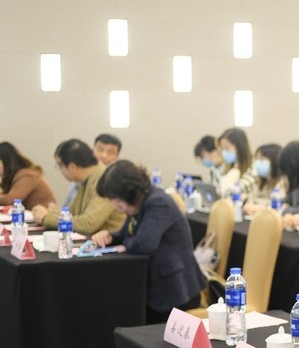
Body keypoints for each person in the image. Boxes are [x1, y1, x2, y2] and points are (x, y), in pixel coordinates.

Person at [91, 161, 205, 324]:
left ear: (129, 192)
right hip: (156, 286)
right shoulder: (139, 202)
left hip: (175, 290)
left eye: (116, 199)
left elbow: (143, 244)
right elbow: (127, 234)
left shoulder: (158, 203)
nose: (115, 205)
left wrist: (126, 243)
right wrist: (110, 236)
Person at [31, 139, 125, 235]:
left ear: (72, 166)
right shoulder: (87, 178)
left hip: (110, 241)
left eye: (59, 165)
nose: (59, 169)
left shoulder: (104, 180)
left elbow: (88, 224)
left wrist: (46, 218)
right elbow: (74, 213)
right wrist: (51, 213)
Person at [0, 142, 56, 209]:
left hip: (44, 214)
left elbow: (10, 200)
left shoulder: (27, 176)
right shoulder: (18, 176)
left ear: (5, 162)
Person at [242, 143, 285, 217]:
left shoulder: (282, 182)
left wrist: (260, 205)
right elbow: (251, 198)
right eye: (256, 159)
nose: (257, 163)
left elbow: (278, 203)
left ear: (274, 160)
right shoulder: (260, 180)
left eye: (262, 159)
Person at [218, 127, 257, 196]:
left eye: (227, 148)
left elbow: (236, 191)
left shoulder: (253, 167)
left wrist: (223, 192)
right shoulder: (229, 167)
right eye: (222, 148)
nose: (224, 152)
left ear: (240, 147)